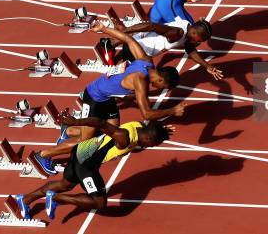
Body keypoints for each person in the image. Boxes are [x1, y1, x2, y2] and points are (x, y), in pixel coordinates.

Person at [32, 21, 184, 175]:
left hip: (106, 98)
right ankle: (42, 155)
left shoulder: (147, 62)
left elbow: (129, 39)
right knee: (85, 143)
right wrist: (173, 110)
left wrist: (104, 29)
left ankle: (70, 130)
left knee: (111, 134)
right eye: (163, 87)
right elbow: (147, 114)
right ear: (161, 80)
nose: (159, 89)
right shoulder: (141, 81)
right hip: (94, 97)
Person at [15, 115, 175, 219]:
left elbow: (150, 126)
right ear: (147, 137)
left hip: (80, 152)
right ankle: (55, 197)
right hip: (87, 164)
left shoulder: (140, 126)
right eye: (152, 144)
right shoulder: (124, 138)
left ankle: (25, 199)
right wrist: (75, 122)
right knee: (99, 203)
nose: (151, 147)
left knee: (65, 184)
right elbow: (101, 122)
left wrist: (161, 130)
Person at [106, 17, 224, 80]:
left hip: (139, 48)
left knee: (134, 74)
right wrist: (122, 34)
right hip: (137, 50)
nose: (199, 43)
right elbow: (151, 26)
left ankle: (112, 56)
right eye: (200, 40)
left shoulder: (187, 27)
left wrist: (207, 66)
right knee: (139, 78)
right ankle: (108, 80)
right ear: (196, 34)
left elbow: (191, 50)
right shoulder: (178, 32)